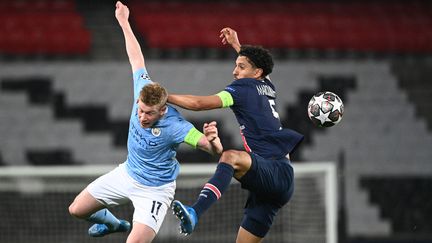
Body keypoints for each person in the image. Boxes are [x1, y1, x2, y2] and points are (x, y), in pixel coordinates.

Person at [68, 2, 223, 243]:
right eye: (139, 110)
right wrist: (123, 21)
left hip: (155, 190)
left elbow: (213, 149)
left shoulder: (175, 126)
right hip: (127, 173)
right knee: (77, 209)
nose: (141, 117)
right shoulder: (142, 88)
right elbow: (136, 58)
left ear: (162, 111)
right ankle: (113, 223)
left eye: (148, 114)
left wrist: (214, 141)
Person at [169, 27, 304, 243]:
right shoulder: (268, 85)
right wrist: (237, 45)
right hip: (277, 182)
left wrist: (165, 96)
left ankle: (195, 212)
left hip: (274, 172)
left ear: (255, 72)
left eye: (240, 67)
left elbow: (198, 104)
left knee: (230, 157)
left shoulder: (241, 89)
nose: (235, 72)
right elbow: (259, 65)